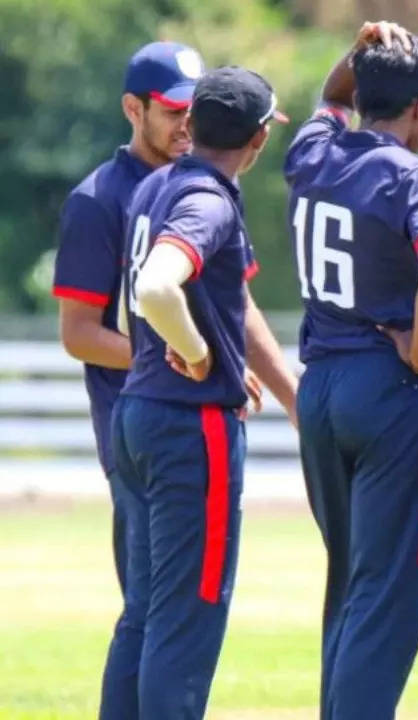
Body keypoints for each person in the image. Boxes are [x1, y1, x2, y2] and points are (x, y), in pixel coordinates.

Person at [282, 22, 418, 718]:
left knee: (351, 582)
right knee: (389, 596)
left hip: (321, 385)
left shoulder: (314, 153)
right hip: (387, 391)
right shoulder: (416, 174)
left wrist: (358, 55)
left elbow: (329, 97)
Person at [112, 64, 293, 718]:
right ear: (259, 140)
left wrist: (206, 339)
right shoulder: (209, 198)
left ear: (190, 123)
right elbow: (157, 288)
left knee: (144, 615)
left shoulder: (159, 185)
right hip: (192, 428)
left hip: (137, 413)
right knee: (187, 622)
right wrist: (197, 353)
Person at [50, 40, 204, 718]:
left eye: (194, 111)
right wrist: (173, 351)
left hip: (192, 417)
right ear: (131, 108)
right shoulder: (97, 199)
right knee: (148, 611)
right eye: (171, 111)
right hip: (135, 431)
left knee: (171, 613)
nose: (185, 126)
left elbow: (241, 307)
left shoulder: (199, 184)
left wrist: (284, 392)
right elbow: (78, 333)